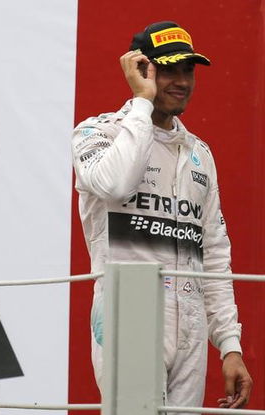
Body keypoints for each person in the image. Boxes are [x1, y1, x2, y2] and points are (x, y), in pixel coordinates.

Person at [71, 21, 253, 410]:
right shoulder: (96, 133)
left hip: (191, 327)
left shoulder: (199, 153)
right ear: (141, 70)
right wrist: (141, 102)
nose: (181, 81)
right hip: (126, 317)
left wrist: (229, 345)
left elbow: (215, 253)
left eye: (188, 70)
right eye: (168, 69)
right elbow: (116, 185)